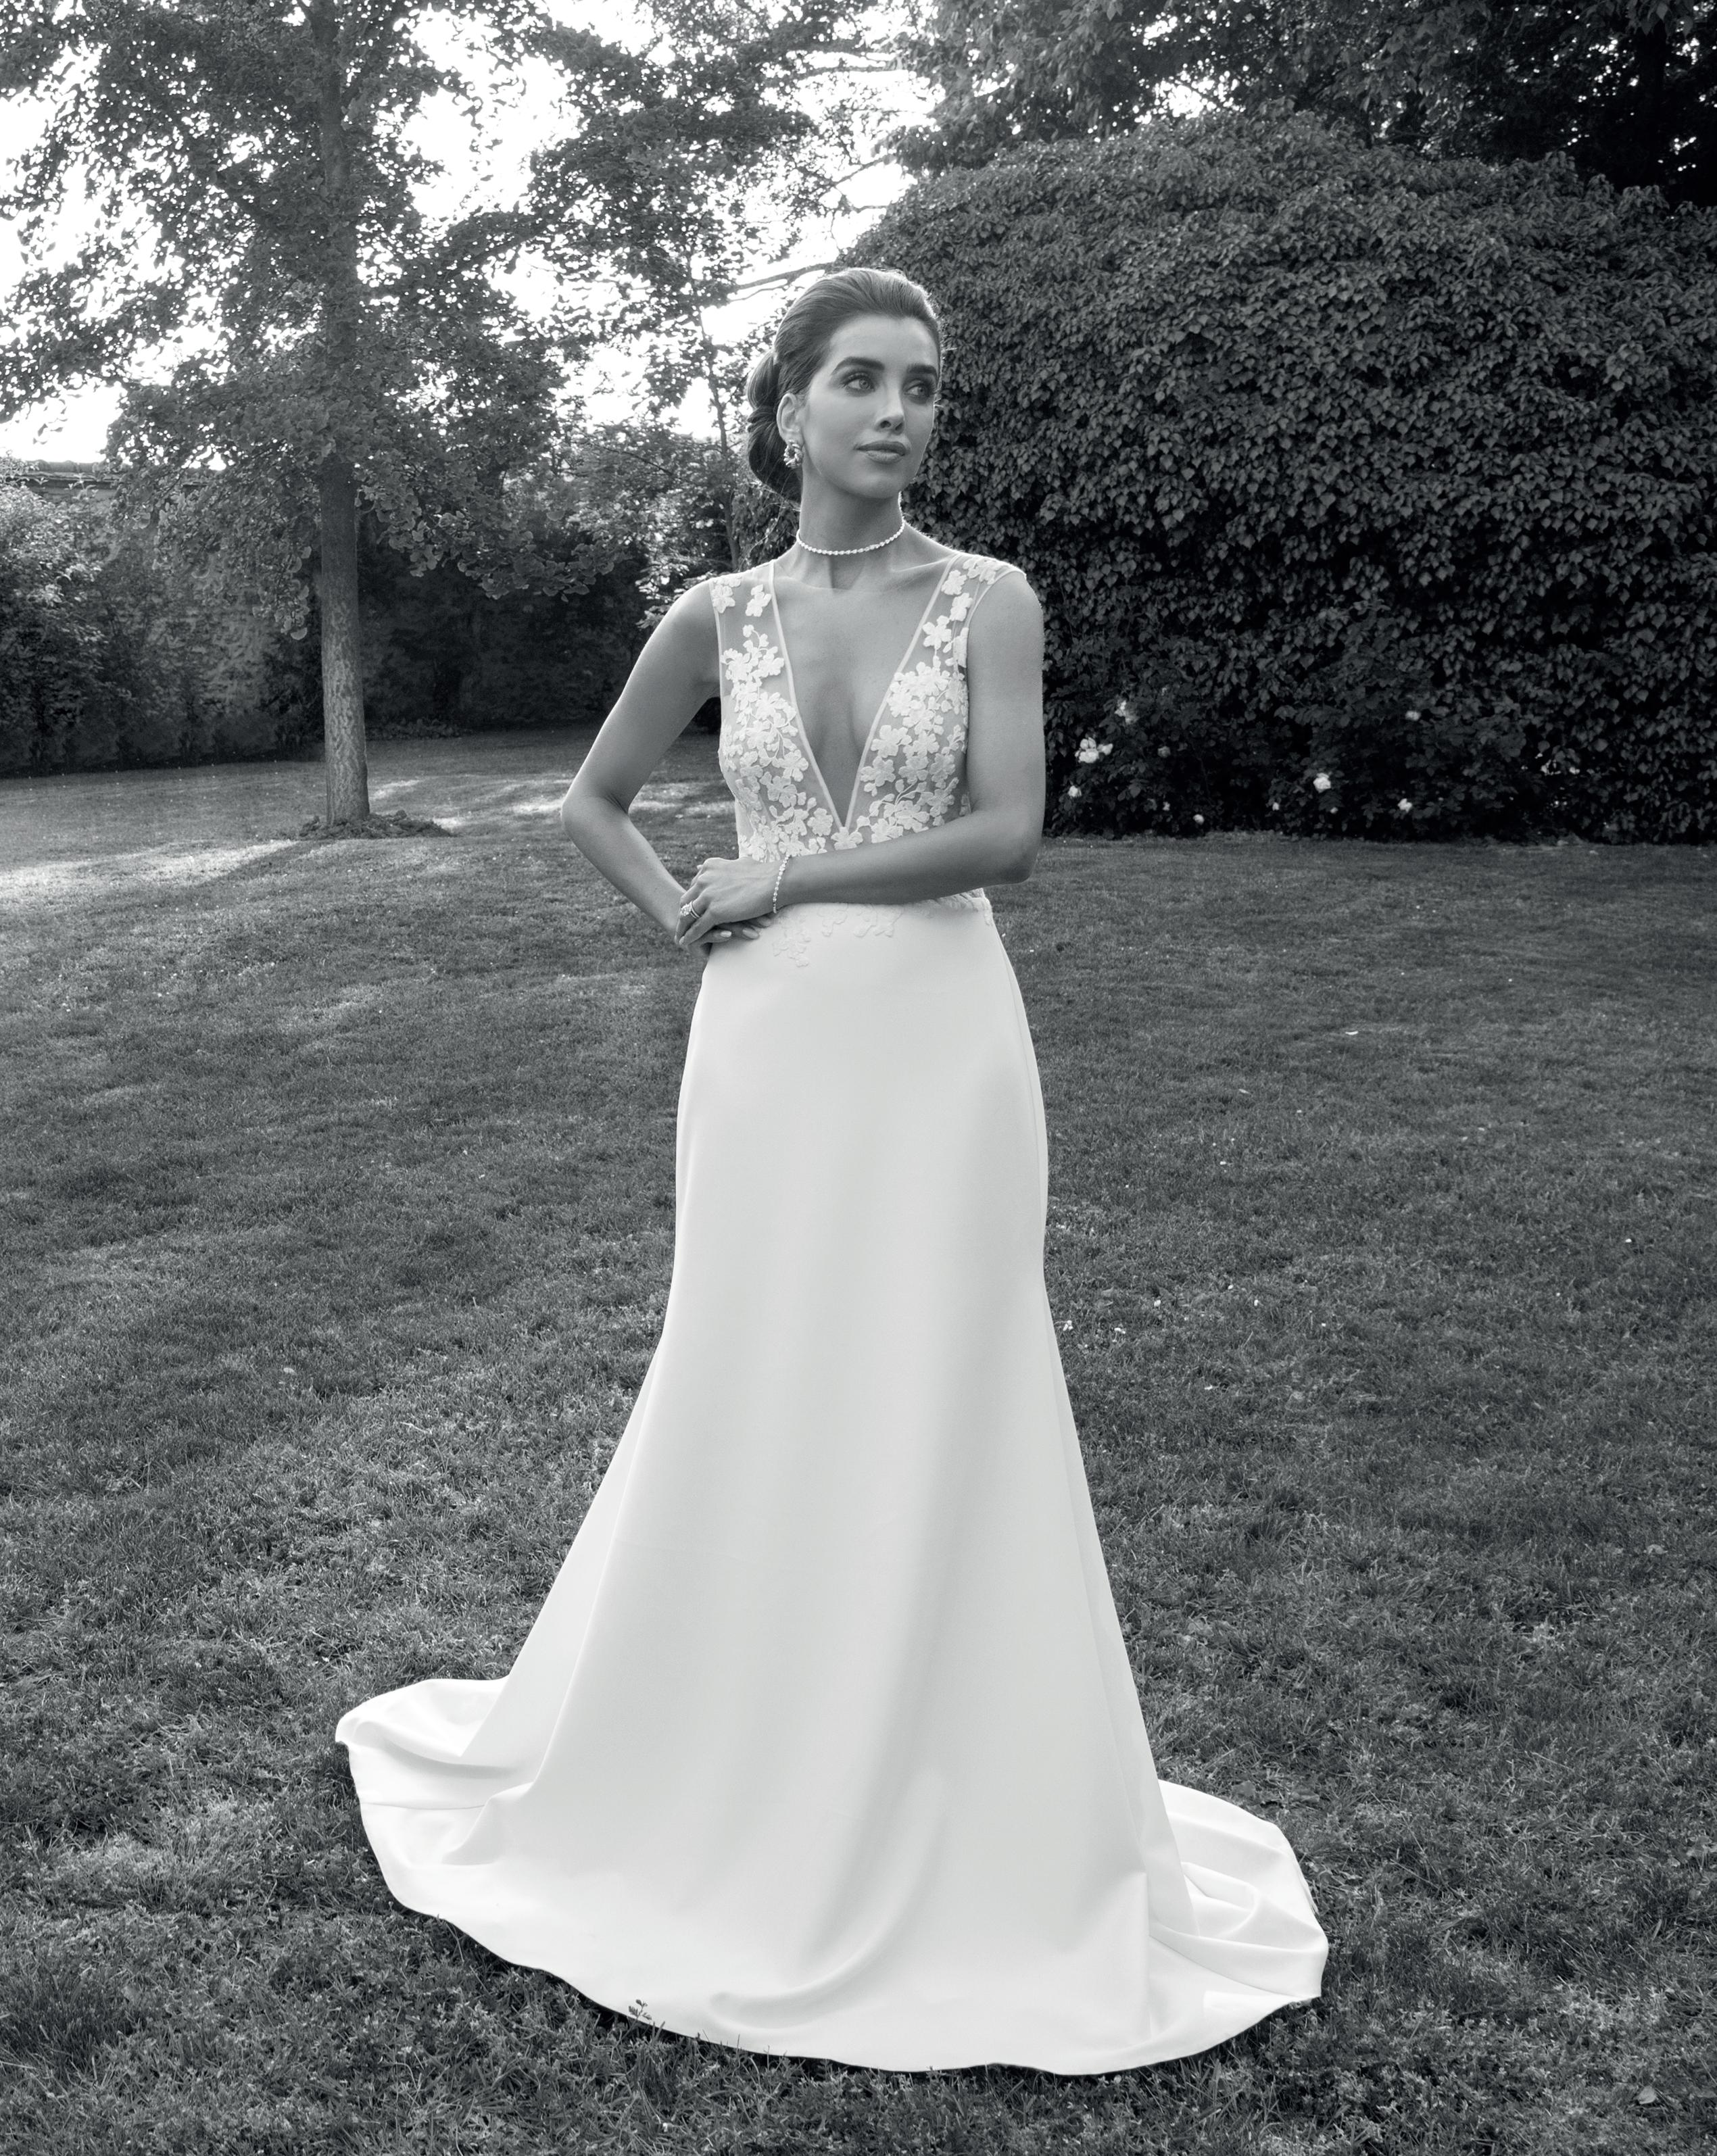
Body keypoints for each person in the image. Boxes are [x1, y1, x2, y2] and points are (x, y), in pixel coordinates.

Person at [337, 266, 1328, 2073]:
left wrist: (784, 873)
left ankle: (955, 1778)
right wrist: (686, 915)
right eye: (861, 380)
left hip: (944, 1048)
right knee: (762, 1373)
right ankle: (735, 1758)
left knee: (951, 1383)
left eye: (923, 387)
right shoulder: (713, 613)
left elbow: (1007, 835)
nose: (897, 413)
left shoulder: (990, 598)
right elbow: (590, 801)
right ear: (786, 407)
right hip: (770, 1048)